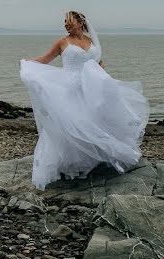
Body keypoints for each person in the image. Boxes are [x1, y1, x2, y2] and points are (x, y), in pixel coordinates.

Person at [19, 11, 148, 189]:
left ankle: (95, 160)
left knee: (96, 122)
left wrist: (101, 69)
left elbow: (99, 62)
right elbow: (45, 59)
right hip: (70, 90)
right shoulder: (62, 42)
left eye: (69, 21)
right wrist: (27, 63)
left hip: (92, 90)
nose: (65, 24)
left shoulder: (91, 41)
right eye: (64, 21)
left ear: (81, 23)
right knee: (75, 125)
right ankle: (72, 165)